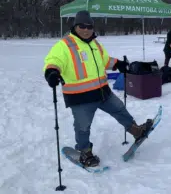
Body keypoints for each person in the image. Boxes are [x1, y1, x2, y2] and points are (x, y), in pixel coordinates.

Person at [43, 10, 154, 167]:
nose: (86, 30)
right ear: (75, 26)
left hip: (103, 92)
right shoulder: (64, 45)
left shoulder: (95, 44)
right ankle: (84, 152)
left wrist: (117, 64)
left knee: (120, 109)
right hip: (80, 97)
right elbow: (53, 61)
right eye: (82, 26)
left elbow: (105, 60)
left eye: (89, 26)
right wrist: (52, 72)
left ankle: (136, 131)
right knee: (83, 126)